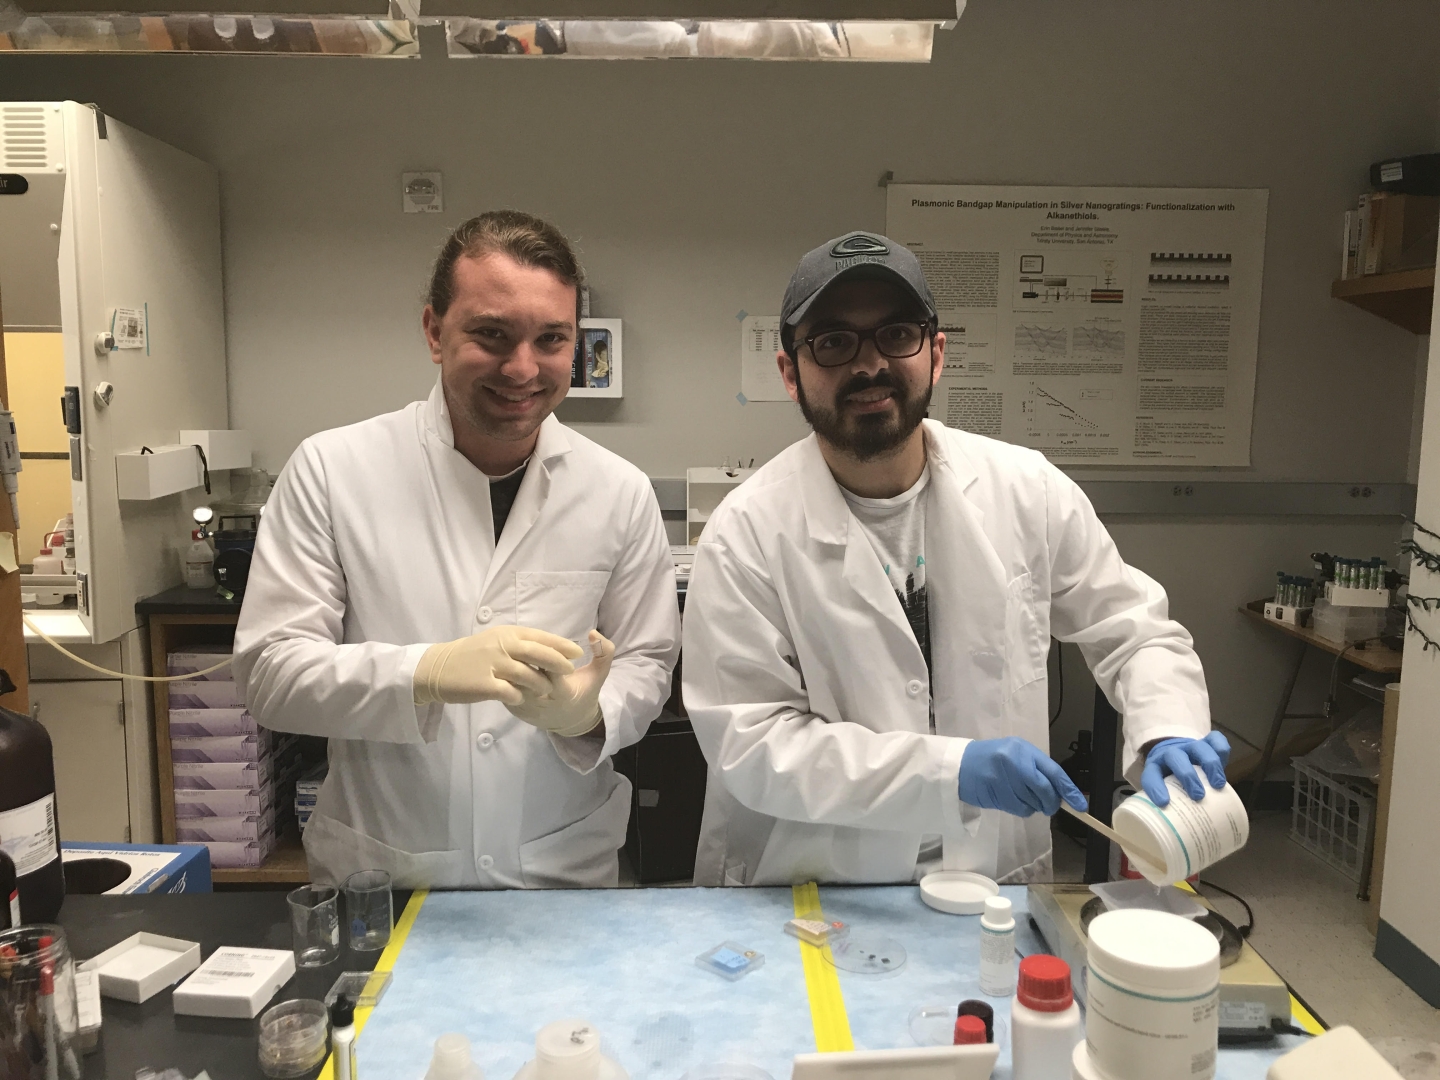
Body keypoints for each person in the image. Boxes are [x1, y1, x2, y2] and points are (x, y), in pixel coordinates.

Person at [683, 230, 1226, 887]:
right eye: (833, 341)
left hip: (990, 874)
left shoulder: (1028, 490)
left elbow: (1131, 629)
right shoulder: (745, 534)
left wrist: (1165, 730)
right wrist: (951, 772)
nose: (869, 364)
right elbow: (753, 747)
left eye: (896, 335)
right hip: (813, 882)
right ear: (790, 371)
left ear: (936, 354)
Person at [234, 210, 680, 889]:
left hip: (561, 879)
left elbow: (647, 662)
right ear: (434, 331)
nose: (523, 368)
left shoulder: (617, 490)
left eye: (551, 339)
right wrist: (426, 672)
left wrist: (588, 714)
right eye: (491, 334)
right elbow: (270, 674)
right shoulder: (332, 469)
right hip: (384, 874)